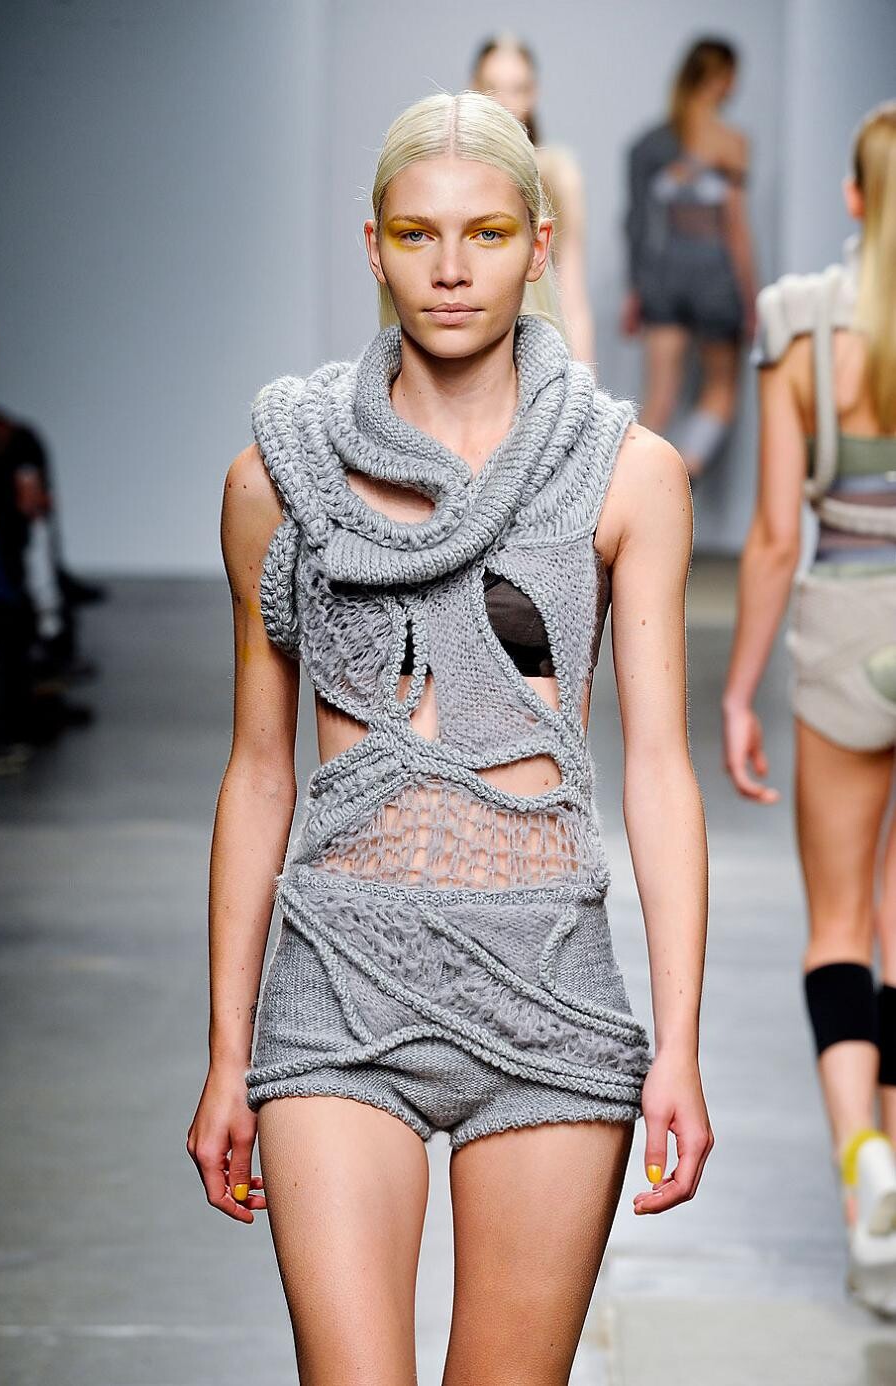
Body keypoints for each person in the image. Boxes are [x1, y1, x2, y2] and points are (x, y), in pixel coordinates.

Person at [188, 90, 712, 1382]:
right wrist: (223, 1052)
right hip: (337, 976)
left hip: (548, 982)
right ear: (373, 247)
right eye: (418, 234)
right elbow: (258, 770)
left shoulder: (626, 473)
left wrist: (681, 1045)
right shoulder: (277, 479)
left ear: (538, 245)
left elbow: (656, 768)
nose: (451, 267)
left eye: (485, 232)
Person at [723, 101, 896, 1316]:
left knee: (836, 922)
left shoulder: (798, 327)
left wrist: (737, 689)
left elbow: (775, 538)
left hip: (841, 631)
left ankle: (860, 1163)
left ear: (851, 196)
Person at [622, 38, 758, 482]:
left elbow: (636, 223)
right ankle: (681, 476)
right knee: (721, 391)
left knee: (658, 399)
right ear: (720, 79)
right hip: (715, 278)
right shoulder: (731, 143)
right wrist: (752, 302)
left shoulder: (650, 144)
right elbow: (735, 229)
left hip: (662, 277)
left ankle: (631, 489)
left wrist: (636, 288)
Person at [471, 33, 596, 364]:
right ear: (473, 88)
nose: (505, 102)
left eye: (518, 88)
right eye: (493, 87)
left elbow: (572, 294)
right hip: (463, 351)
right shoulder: (449, 174)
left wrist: (586, 383)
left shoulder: (557, 176)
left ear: (534, 92)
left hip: (538, 354)